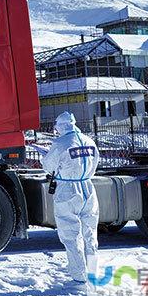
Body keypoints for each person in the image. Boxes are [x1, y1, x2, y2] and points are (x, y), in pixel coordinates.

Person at [40, 111, 100, 284]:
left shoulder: (60, 143)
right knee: (90, 232)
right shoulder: (89, 141)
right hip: (88, 187)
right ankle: (92, 271)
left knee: (71, 233)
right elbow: (95, 163)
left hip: (68, 190)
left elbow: (48, 166)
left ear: (61, 125)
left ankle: (79, 274)